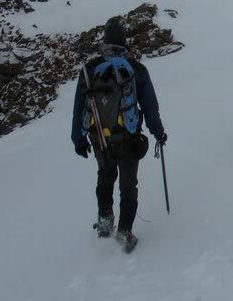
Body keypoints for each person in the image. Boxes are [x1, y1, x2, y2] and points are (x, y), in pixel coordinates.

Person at [71, 18, 166, 251]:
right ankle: (124, 232)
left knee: (105, 175)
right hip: (127, 137)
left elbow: (78, 107)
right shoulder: (136, 69)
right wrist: (158, 132)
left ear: (105, 41)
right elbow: (150, 106)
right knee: (128, 185)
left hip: (98, 137)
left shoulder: (90, 69)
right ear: (124, 41)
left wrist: (78, 139)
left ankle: (105, 222)